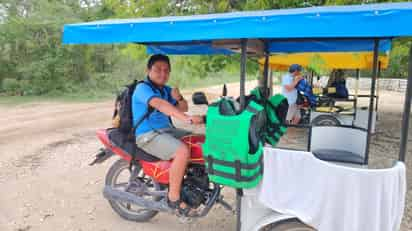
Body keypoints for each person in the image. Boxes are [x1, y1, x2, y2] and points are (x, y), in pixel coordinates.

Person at [132, 54, 204, 211]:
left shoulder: (166, 90)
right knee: (182, 151)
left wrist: (179, 98)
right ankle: (173, 198)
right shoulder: (142, 88)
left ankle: (193, 180)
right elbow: (161, 105)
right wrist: (188, 119)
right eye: (158, 69)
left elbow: (183, 107)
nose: (163, 74)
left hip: (167, 131)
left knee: (199, 140)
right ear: (148, 70)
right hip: (148, 135)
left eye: (166, 70)